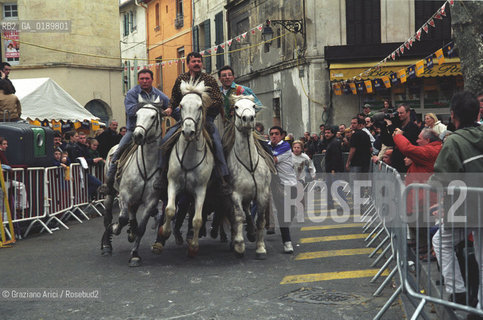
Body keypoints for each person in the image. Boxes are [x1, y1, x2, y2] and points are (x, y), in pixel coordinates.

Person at [430, 91, 483, 313]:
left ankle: (457, 291)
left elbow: (441, 179)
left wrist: (441, 203)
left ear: (453, 115)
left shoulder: (453, 143)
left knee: (441, 241)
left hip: (465, 209)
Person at [158, 52, 227, 193]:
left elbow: (218, 100)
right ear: (188, 63)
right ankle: (161, 175)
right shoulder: (181, 79)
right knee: (165, 141)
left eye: (199, 61)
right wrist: (171, 108)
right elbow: (174, 98)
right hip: (185, 120)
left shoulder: (209, 80)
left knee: (217, 143)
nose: (197, 64)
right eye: (194, 61)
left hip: (204, 119)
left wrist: (203, 104)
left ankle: (223, 177)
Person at [102, 69, 172, 195]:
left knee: (165, 152)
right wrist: (153, 108)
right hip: (134, 130)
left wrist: (174, 111)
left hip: (152, 134)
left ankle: (162, 181)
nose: (144, 81)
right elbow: (130, 111)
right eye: (142, 79)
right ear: (138, 80)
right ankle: (108, 182)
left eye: (147, 78)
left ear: (152, 80)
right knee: (118, 151)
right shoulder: (132, 93)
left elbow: (171, 105)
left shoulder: (158, 94)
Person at [268, 126, 297, 254]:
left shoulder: (284, 146)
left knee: (290, 213)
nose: (273, 136)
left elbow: (272, 161)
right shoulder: (268, 145)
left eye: (276, 134)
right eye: (271, 134)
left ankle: (285, 227)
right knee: (282, 212)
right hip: (277, 185)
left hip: (290, 183)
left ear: (281, 135)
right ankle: (287, 242)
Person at [324, 126, 345, 209]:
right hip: (329, 169)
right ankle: (330, 204)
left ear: (333, 133)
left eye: (328, 133)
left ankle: (343, 204)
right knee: (329, 187)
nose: (326, 134)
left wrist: (333, 169)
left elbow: (336, 157)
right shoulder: (330, 142)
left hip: (334, 170)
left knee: (337, 188)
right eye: (325, 133)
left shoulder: (334, 142)